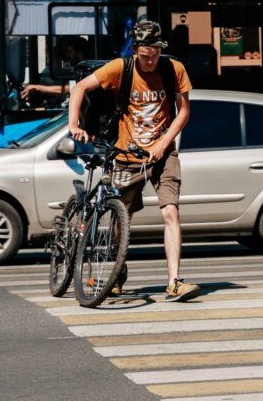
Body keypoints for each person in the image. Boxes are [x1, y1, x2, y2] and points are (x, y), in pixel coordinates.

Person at [67, 21, 199, 302]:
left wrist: (164, 143)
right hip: (126, 156)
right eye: (144, 55)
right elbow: (79, 88)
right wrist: (73, 124)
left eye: (153, 55)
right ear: (135, 50)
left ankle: (174, 282)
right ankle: (116, 273)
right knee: (120, 218)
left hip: (163, 154)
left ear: (160, 49)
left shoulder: (173, 69)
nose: (149, 61)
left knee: (171, 212)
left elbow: (184, 112)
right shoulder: (120, 67)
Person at [21, 36, 89, 105]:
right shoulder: (79, 70)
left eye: (70, 52)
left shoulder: (88, 70)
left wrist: (38, 88)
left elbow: (69, 88)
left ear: (80, 54)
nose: (67, 56)